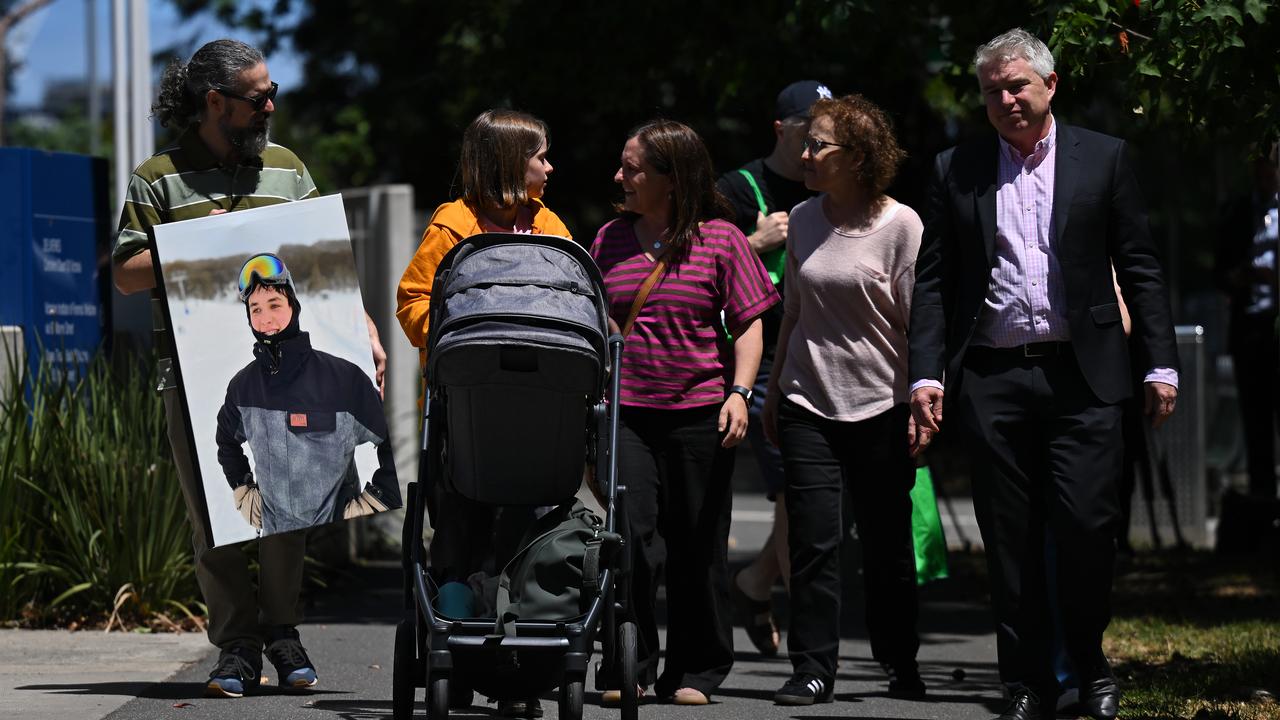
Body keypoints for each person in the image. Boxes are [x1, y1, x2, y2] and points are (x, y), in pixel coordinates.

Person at [907, 29, 1179, 720]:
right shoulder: (954, 168)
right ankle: (1025, 681)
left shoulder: (1104, 159)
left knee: (1088, 526)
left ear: (1050, 85)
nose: (1005, 100)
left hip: (1083, 377)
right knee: (1010, 536)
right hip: (995, 378)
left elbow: (1141, 267)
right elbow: (934, 283)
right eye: (993, 91)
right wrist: (926, 375)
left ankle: (1089, 668)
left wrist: (1160, 361)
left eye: (1017, 86)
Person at [112, 39, 386, 699]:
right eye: (259, 96)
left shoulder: (287, 169)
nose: (271, 104)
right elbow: (125, 275)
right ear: (215, 103)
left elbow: (321, 265)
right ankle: (236, 646)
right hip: (195, 374)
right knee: (216, 514)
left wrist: (366, 329)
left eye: (272, 93)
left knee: (288, 507)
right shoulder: (158, 177)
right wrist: (193, 243)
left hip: (285, 373)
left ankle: (282, 632)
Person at [590, 119, 778, 706]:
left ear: (670, 179)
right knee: (632, 540)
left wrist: (740, 393)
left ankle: (697, 668)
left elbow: (749, 322)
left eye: (633, 168)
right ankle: (631, 664)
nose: (619, 176)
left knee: (698, 544)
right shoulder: (608, 240)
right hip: (626, 414)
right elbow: (598, 318)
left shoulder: (722, 240)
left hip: (700, 411)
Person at [395, 108, 568, 720]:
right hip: (466, 402)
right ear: (505, 165)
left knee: (528, 521)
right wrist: (446, 337)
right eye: (539, 156)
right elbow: (413, 299)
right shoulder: (452, 226)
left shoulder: (549, 225)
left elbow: (574, 298)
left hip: (538, 400)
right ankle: (456, 637)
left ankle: (526, 649)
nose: (549, 167)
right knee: (462, 522)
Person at [758, 93, 927, 705]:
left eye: (818, 145)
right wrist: (774, 392)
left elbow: (914, 322)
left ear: (857, 158)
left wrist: (919, 401)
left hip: (881, 405)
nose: (804, 153)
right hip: (807, 400)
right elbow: (794, 312)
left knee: (885, 544)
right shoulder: (802, 218)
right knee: (812, 541)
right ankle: (812, 668)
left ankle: (899, 659)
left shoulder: (902, 225)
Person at [716, 80, 827, 656]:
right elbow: (695, 265)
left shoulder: (834, 186)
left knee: (813, 495)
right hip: (762, 360)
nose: (821, 136)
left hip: (827, 354)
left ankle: (756, 582)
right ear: (783, 128)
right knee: (797, 492)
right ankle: (813, 645)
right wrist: (754, 244)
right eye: (812, 123)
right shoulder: (739, 188)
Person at [216, 253, 400, 536]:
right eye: (256, 309)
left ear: (293, 304)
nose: (266, 320)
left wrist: (377, 500)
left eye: (274, 304)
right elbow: (226, 441)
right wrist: (242, 487)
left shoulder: (343, 381)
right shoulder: (243, 388)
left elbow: (395, 440)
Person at [1216, 144, 1279, 501]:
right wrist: (1244, 276)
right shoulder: (1238, 212)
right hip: (1250, 327)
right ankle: (1263, 503)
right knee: (1255, 422)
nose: (1265, 173)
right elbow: (1219, 273)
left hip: (1275, 321)